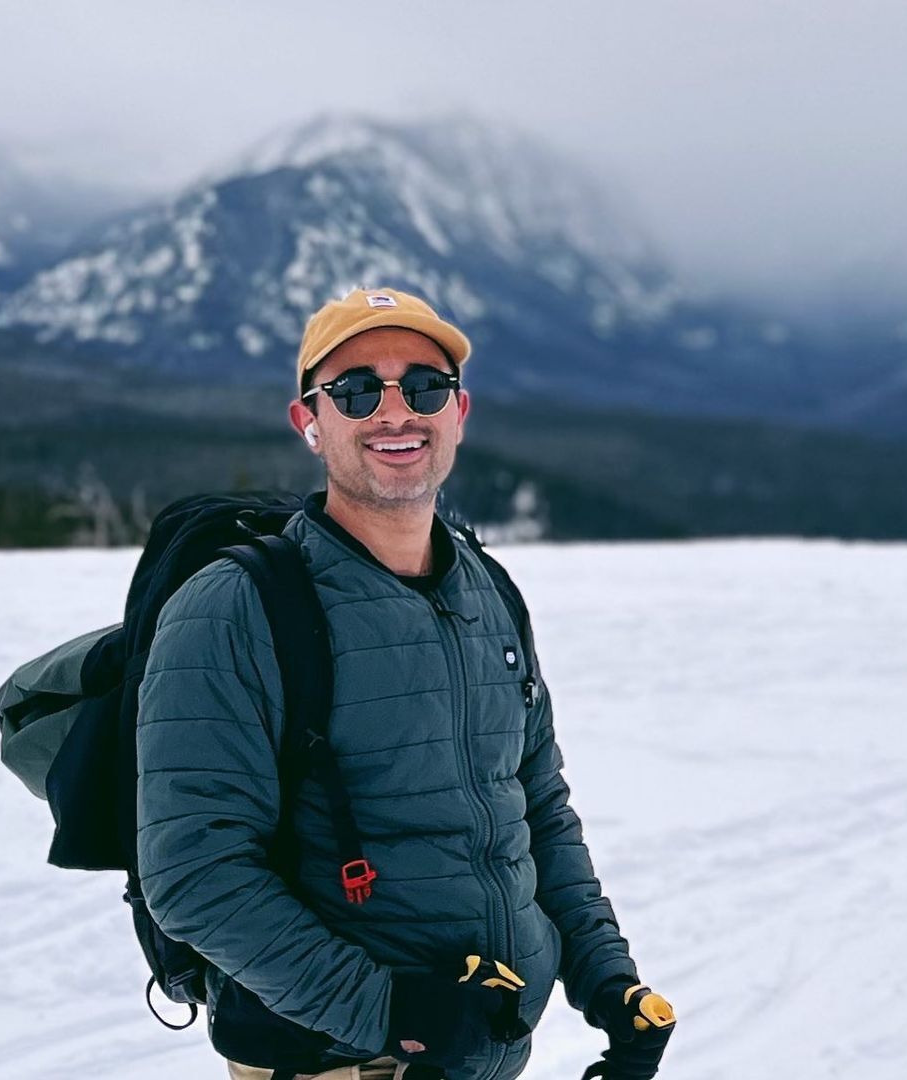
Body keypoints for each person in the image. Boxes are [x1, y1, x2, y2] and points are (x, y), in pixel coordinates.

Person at [136, 287, 675, 1080]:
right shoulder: (234, 608)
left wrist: (607, 981)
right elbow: (193, 873)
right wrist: (396, 1014)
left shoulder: (488, 591)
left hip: (477, 1050)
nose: (395, 412)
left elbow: (537, 812)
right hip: (332, 1059)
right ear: (310, 423)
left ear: (459, 411)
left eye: (423, 386)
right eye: (356, 390)